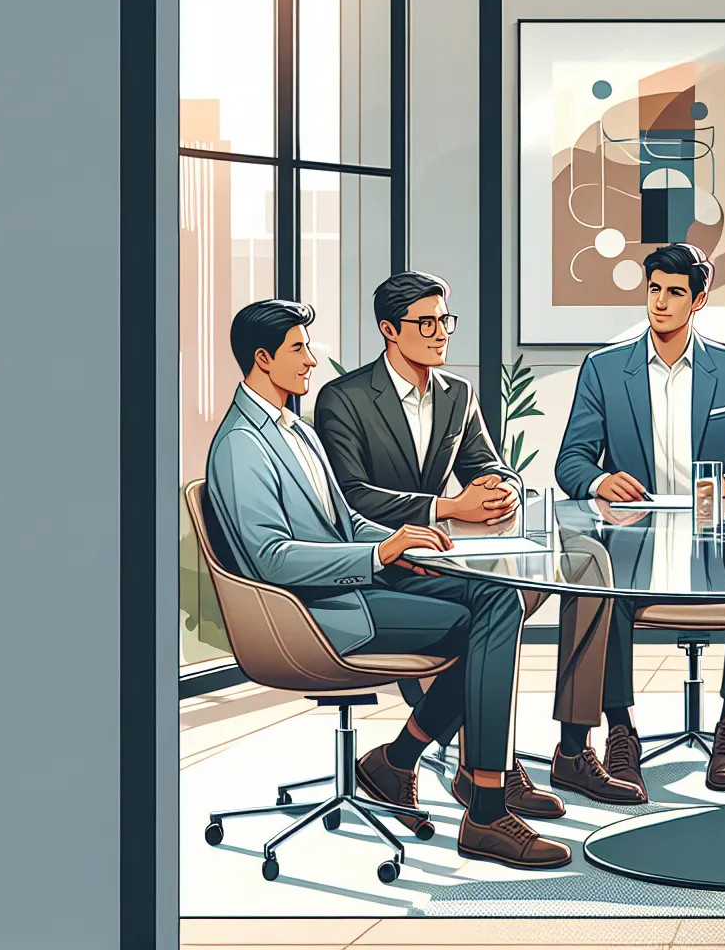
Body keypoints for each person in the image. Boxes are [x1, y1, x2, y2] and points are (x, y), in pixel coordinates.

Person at [205, 300, 569, 870]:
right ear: (261, 359)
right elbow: (271, 559)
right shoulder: (241, 445)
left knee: (495, 597)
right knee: (488, 619)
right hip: (315, 614)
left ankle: (399, 764)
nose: (309, 360)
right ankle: (484, 809)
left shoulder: (292, 427)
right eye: (298, 349)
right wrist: (380, 553)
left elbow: (342, 522)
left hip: (350, 586)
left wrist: (408, 539)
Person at [551, 243, 725, 798]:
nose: (660, 302)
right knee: (597, 567)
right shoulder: (604, 368)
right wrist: (597, 481)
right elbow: (571, 460)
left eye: (674, 293)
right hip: (633, 545)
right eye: (654, 289)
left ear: (699, 300)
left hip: (712, 547)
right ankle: (620, 730)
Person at [313, 271, 563, 820]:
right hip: (375, 562)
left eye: (443, 320)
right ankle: (485, 781)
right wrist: (447, 507)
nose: (439, 333)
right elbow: (350, 496)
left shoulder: (457, 395)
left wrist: (503, 492)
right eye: (424, 322)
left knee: (516, 594)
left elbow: (491, 465)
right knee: (501, 605)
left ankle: (421, 762)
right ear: (389, 331)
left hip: (440, 558)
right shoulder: (343, 398)